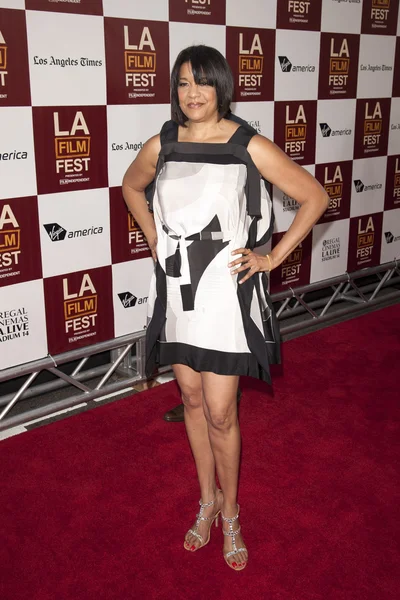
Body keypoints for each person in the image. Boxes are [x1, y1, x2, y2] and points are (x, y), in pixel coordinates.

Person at [122, 45, 328, 572]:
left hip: (224, 298)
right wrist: (152, 239)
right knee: (191, 402)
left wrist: (271, 257)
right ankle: (206, 502)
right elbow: (130, 185)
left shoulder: (245, 143)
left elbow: (314, 197)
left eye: (203, 83)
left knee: (220, 411)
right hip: (179, 292)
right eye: (183, 83)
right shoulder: (162, 143)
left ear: (221, 87)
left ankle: (231, 511)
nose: (192, 94)